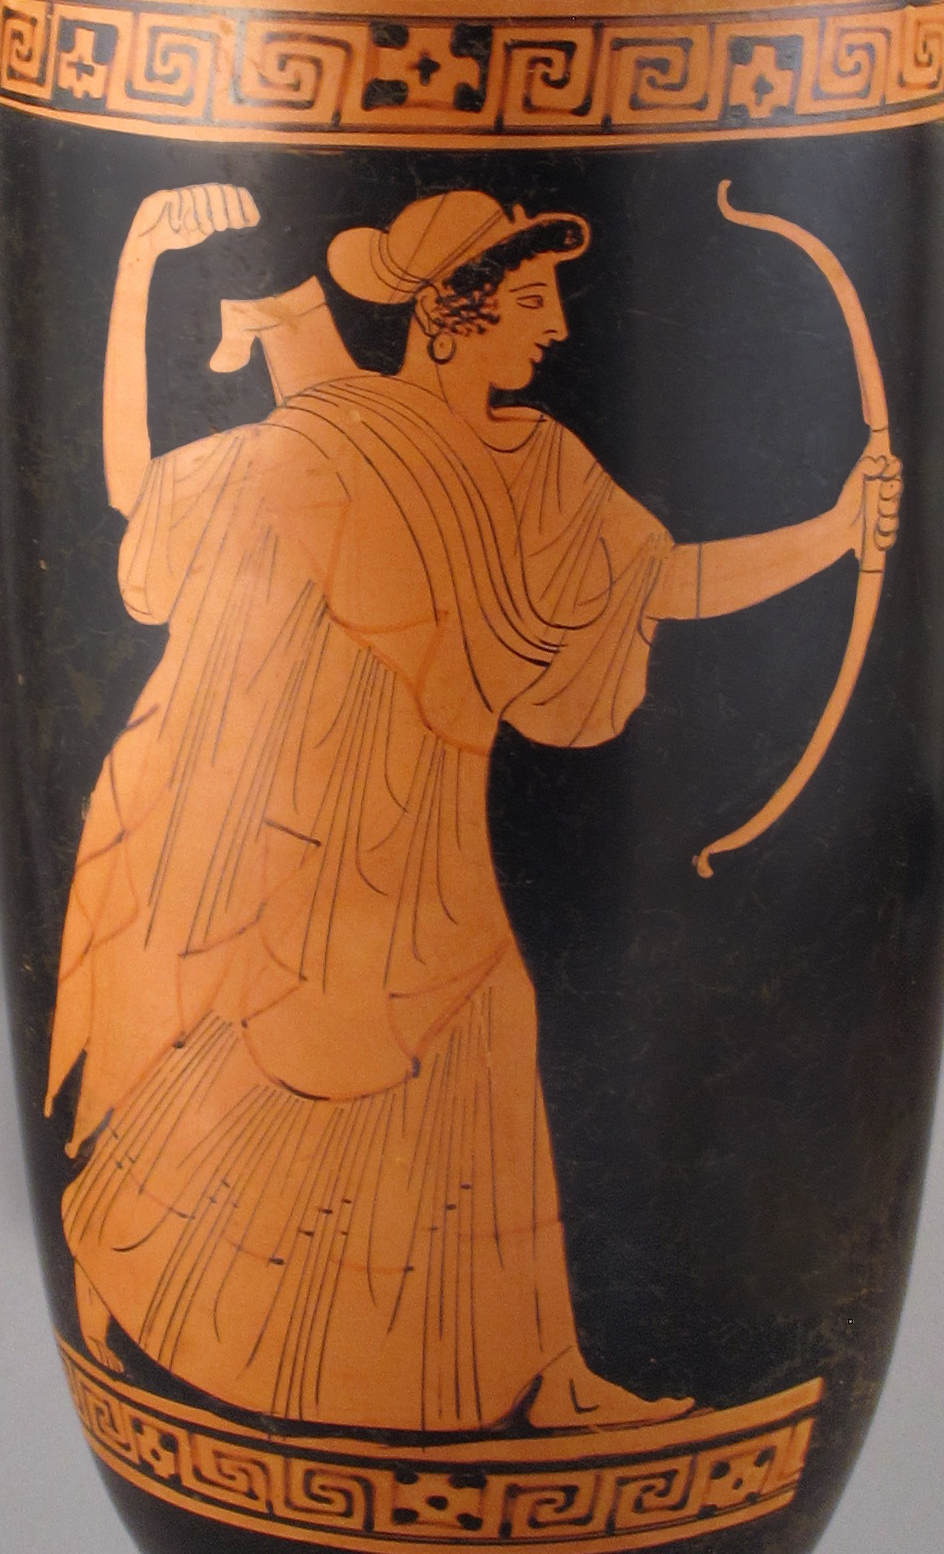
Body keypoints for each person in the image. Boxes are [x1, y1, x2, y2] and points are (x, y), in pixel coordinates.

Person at [45, 184, 900, 1433]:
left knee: (478, 1038)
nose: (555, 328)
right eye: (532, 302)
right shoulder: (332, 434)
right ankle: (127, 1255)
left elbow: (658, 581)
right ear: (454, 314)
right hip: (302, 823)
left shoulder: (539, 462)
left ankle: (532, 1379)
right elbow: (144, 501)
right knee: (280, 1057)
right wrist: (134, 271)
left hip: (428, 822)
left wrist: (832, 534)